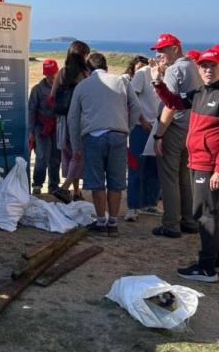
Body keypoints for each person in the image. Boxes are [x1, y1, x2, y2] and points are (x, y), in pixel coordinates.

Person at [154, 48, 219, 282]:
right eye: (203, 66)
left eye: (212, 65)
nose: (207, 70)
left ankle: (206, 267)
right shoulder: (201, 92)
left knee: (204, 213)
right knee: (212, 212)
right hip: (199, 160)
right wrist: (158, 83)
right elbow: (174, 102)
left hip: (210, 163)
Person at [68, 52, 145, 232]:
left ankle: (101, 221)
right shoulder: (122, 81)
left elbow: (73, 119)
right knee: (116, 182)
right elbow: (136, 108)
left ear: (88, 70)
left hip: (93, 136)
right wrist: (127, 127)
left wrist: (76, 146)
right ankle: (113, 222)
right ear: (106, 67)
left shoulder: (82, 86)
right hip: (118, 135)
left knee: (97, 182)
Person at [150, 32, 203, 238]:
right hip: (192, 128)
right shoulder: (192, 66)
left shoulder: (175, 70)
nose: (160, 54)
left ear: (175, 49)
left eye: (163, 49)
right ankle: (189, 220)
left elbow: (170, 104)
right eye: (158, 50)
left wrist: (158, 134)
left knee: (169, 179)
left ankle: (171, 224)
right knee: (184, 178)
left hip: (175, 128)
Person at [51, 40, 91, 202]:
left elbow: (52, 95)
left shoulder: (63, 72)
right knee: (78, 155)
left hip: (62, 119)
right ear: (83, 55)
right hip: (79, 120)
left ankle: (76, 192)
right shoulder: (85, 74)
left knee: (68, 155)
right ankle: (64, 188)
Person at [126, 56, 160, 220]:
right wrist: (142, 120)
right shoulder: (142, 74)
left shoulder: (168, 74)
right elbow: (132, 100)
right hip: (141, 128)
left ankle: (149, 203)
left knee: (154, 168)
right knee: (136, 167)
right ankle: (132, 206)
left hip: (159, 128)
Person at [28, 59, 61, 195]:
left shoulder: (62, 87)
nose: (52, 77)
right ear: (45, 74)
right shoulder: (37, 89)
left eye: (54, 74)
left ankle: (53, 185)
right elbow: (31, 111)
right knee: (41, 157)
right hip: (41, 128)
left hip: (57, 127)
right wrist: (30, 132)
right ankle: (37, 184)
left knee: (56, 158)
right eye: (49, 74)